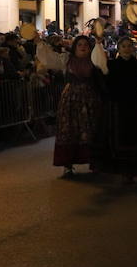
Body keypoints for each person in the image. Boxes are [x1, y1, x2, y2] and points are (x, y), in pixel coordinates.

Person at [38, 34, 108, 176]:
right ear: (75, 47)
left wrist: (99, 44)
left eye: (86, 45)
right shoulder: (66, 60)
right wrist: (40, 43)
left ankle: (95, 162)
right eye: (80, 45)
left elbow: (103, 66)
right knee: (69, 130)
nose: (83, 47)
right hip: (70, 100)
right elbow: (50, 59)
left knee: (91, 129)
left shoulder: (93, 61)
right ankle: (67, 165)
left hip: (90, 100)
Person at [92, 36, 137, 183]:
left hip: (135, 106)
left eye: (129, 46)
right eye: (124, 46)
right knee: (117, 135)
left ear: (133, 48)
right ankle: (122, 170)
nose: (127, 49)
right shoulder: (112, 65)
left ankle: (132, 171)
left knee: (135, 135)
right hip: (117, 105)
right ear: (119, 49)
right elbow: (100, 72)